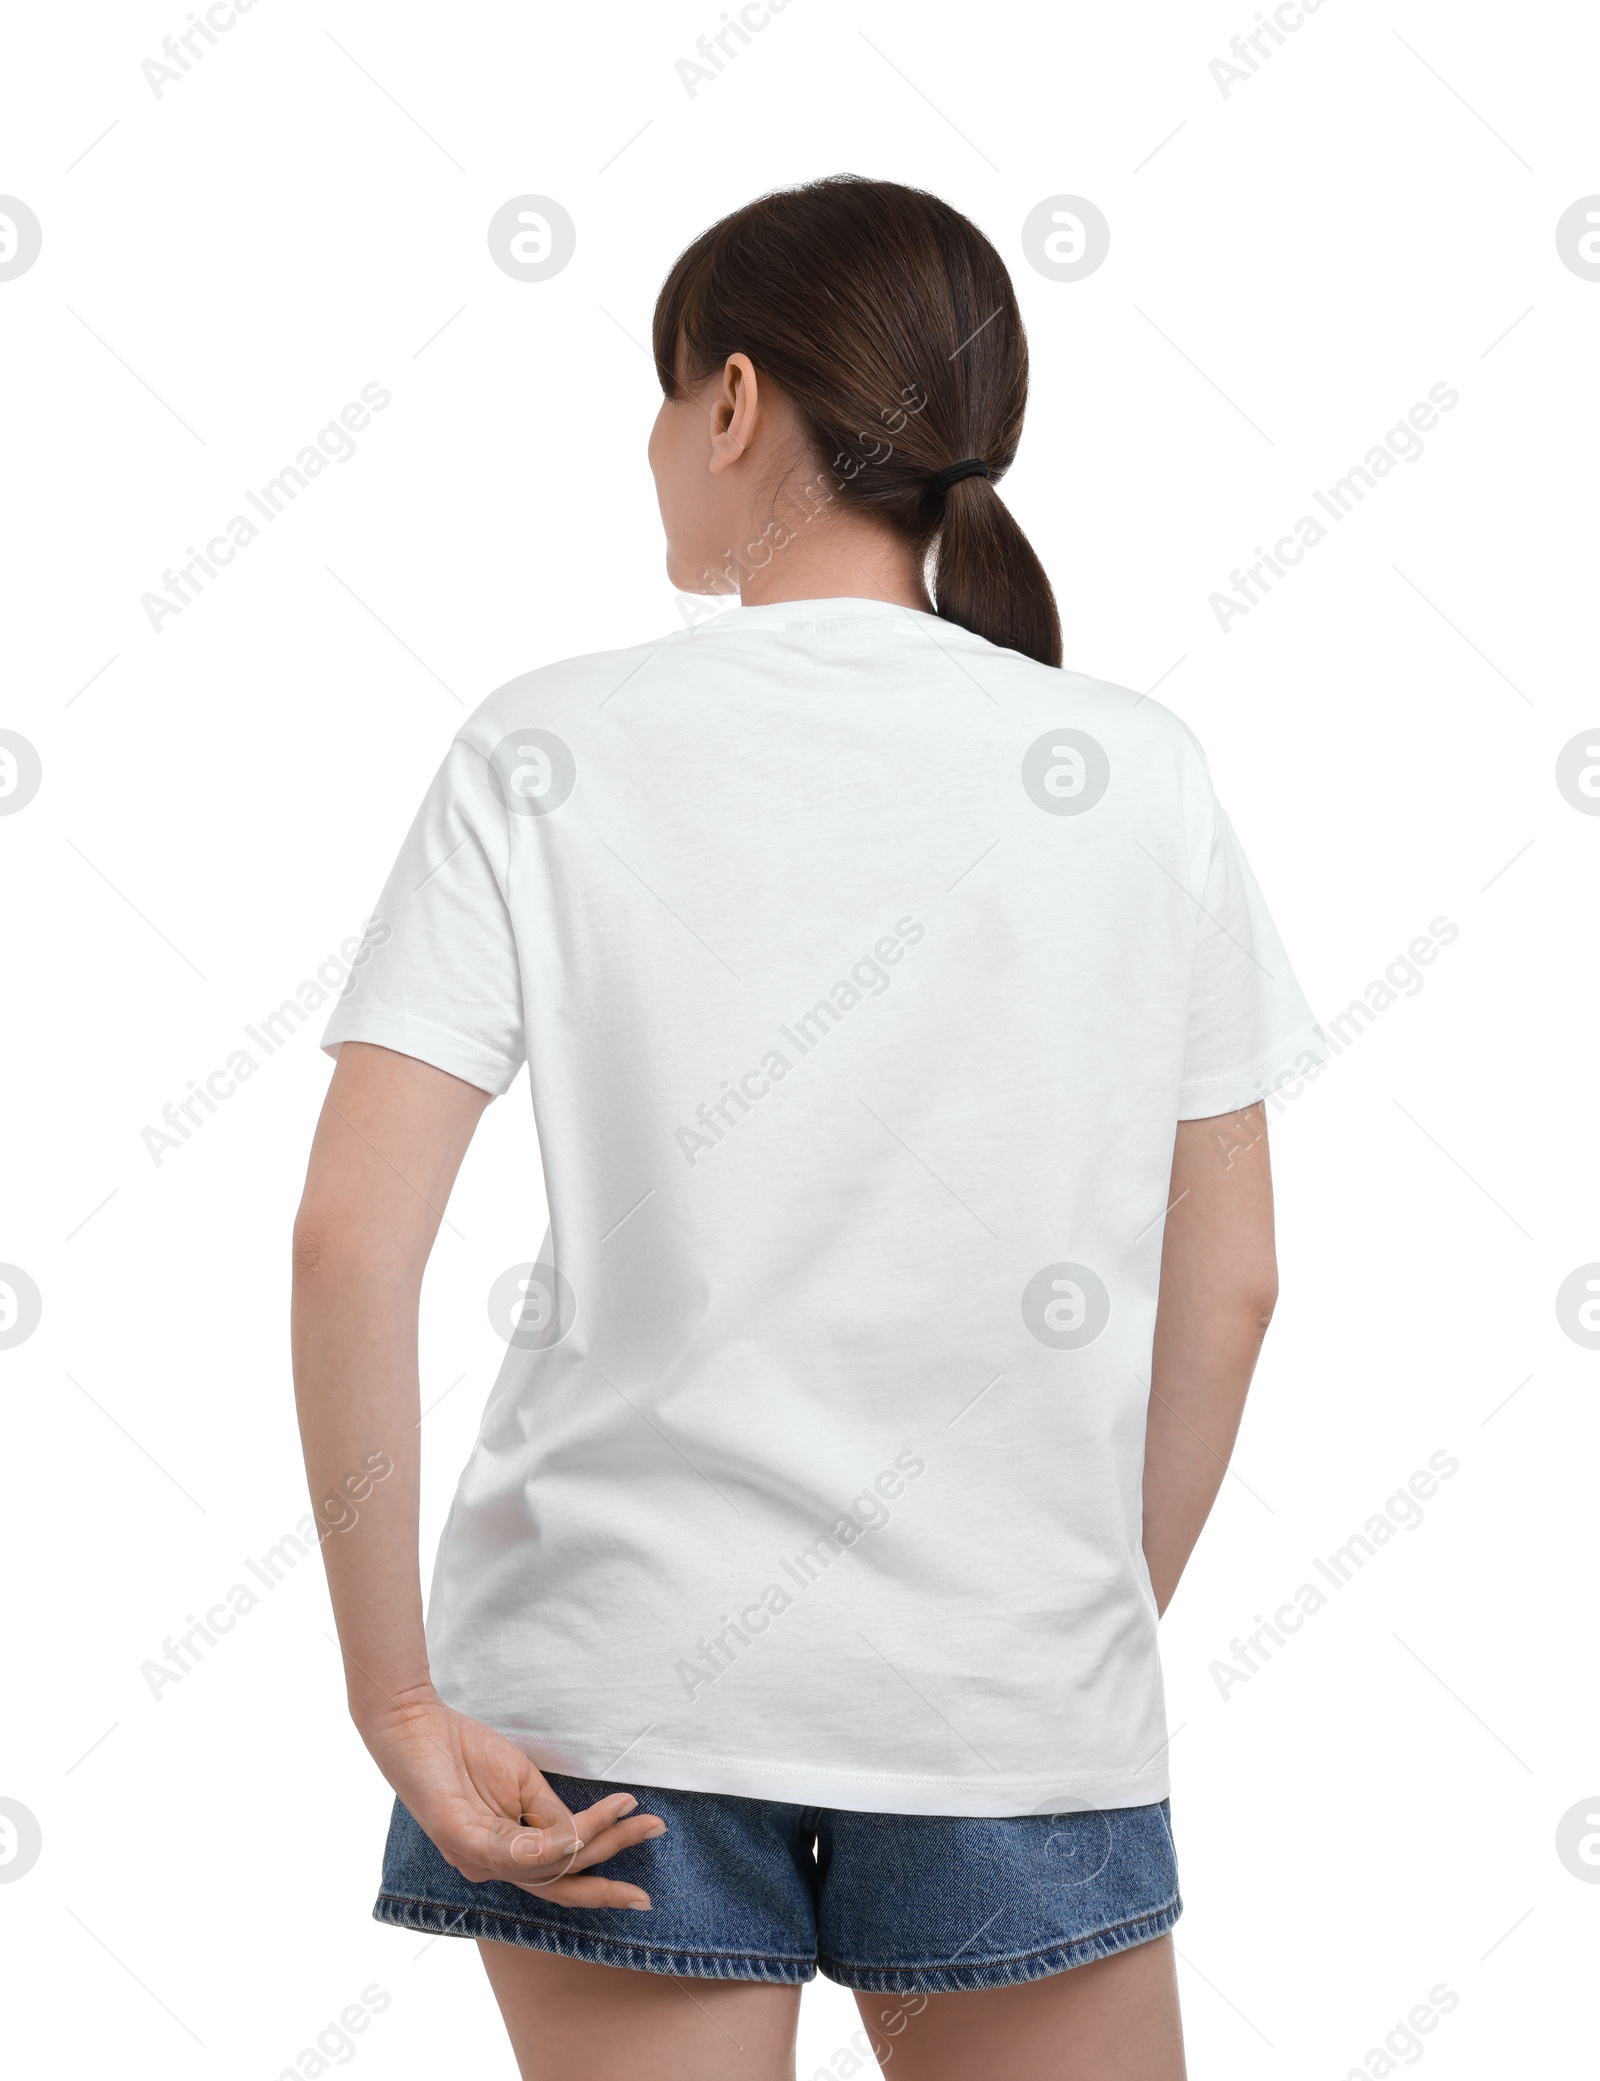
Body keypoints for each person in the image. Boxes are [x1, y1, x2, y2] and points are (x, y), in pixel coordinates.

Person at [292, 174, 1322, 2080]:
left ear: (738, 401)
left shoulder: (545, 742)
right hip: (1006, 1694)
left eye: (663, 391)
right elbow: (1237, 1281)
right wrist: (1053, 1649)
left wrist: (398, 1698)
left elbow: (351, 1240)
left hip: (608, 1703)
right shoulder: (1138, 774)